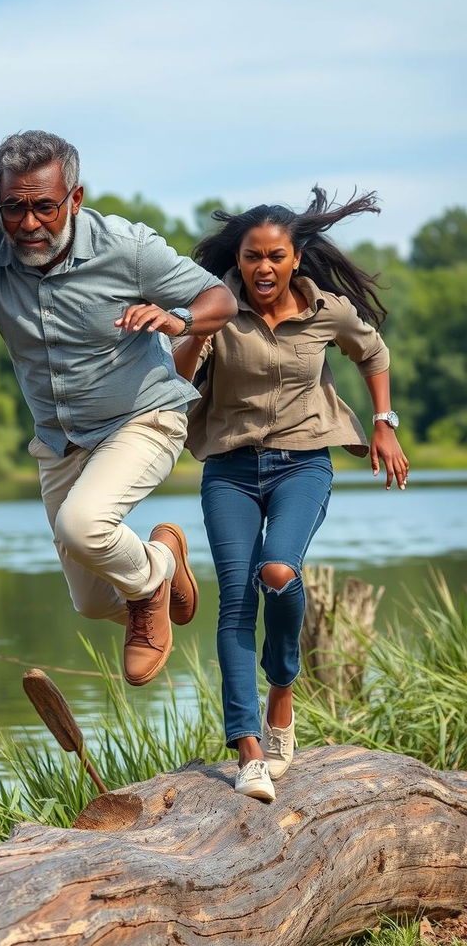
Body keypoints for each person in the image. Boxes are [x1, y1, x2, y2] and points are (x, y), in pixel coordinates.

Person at [0, 130, 237, 687]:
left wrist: (178, 322)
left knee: (84, 527)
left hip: (144, 416)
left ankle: (150, 581)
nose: (29, 223)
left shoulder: (125, 248)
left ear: (74, 199)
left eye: (44, 206)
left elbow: (219, 299)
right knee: (91, 602)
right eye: (13, 207)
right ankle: (160, 564)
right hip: (60, 441)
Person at [173, 187, 408, 801]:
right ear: (240, 259)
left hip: (303, 463)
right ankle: (249, 750)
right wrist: (200, 327)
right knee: (234, 605)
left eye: (276, 256)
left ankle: (282, 686)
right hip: (228, 467)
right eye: (253, 256)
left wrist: (384, 424)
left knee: (278, 571)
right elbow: (177, 376)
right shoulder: (215, 305)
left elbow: (373, 351)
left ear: (295, 257)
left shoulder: (325, 310)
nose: (264, 268)